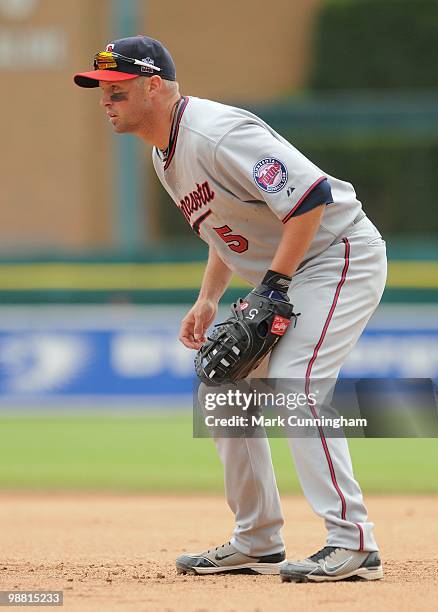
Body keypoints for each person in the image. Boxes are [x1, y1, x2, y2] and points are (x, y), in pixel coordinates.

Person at [74, 35, 386, 583]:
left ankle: (352, 542)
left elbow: (310, 198)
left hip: (337, 255)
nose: (106, 100)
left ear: (155, 86)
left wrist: (274, 283)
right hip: (288, 271)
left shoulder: (216, 133)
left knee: (297, 381)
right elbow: (227, 231)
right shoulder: (162, 154)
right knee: (223, 387)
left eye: (117, 90)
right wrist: (209, 297)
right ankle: (258, 540)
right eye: (102, 90)